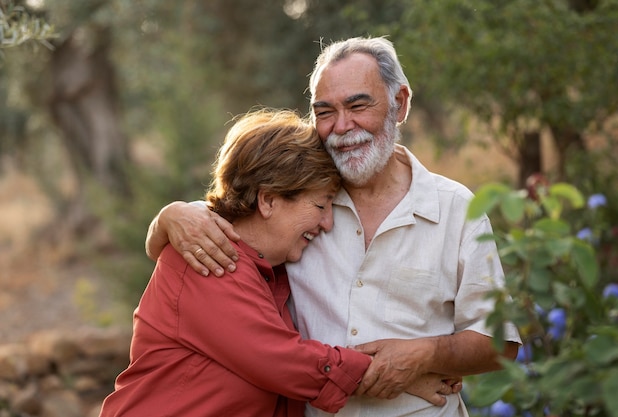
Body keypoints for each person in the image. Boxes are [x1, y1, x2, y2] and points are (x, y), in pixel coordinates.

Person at [145, 37, 521, 417]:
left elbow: (500, 344)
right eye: (324, 112)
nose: (342, 126)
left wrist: (425, 355)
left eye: (358, 105)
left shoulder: (457, 208)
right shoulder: (296, 198)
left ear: (400, 103)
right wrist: (171, 216)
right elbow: (230, 223)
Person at [100, 108, 378, 417]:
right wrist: (394, 372)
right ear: (269, 200)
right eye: (321, 204)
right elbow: (284, 362)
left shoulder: (268, 270)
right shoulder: (209, 259)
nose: (327, 222)